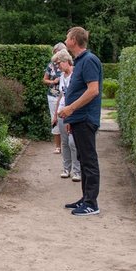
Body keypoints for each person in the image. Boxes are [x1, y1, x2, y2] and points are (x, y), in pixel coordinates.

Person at [58, 26, 103, 216]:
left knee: (89, 160)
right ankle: (85, 198)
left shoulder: (89, 61)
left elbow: (93, 90)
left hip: (85, 118)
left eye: (67, 38)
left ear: (74, 41)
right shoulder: (80, 61)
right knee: (83, 159)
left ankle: (92, 203)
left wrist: (71, 109)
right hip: (78, 119)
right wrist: (71, 118)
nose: (66, 40)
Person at [50, 51, 80, 181]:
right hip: (62, 112)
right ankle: (66, 169)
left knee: (74, 142)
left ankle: (77, 171)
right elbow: (60, 96)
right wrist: (55, 115)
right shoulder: (62, 76)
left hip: (73, 112)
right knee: (65, 142)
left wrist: (72, 113)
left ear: (65, 61)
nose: (57, 67)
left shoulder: (76, 74)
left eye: (58, 64)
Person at [42, 43, 68, 154]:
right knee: (55, 118)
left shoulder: (69, 64)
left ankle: (68, 144)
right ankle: (58, 146)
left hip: (66, 96)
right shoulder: (51, 65)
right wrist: (53, 81)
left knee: (68, 119)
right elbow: (44, 80)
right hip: (53, 96)